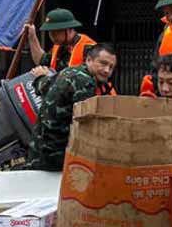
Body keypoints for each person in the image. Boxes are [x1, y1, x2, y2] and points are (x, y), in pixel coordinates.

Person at [28, 43, 117, 171]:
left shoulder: (69, 71)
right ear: (89, 60)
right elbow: (87, 128)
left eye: (111, 67)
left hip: (37, 150)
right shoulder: (86, 82)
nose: (107, 70)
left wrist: (40, 77)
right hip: (55, 157)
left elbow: (43, 86)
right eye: (102, 63)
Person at [25, 8, 96, 74]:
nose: (52, 36)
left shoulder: (90, 49)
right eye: (50, 31)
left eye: (56, 32)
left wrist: (47, 77)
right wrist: (32, 36)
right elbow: (41, 60)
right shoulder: (59, 46)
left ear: (69, 30)